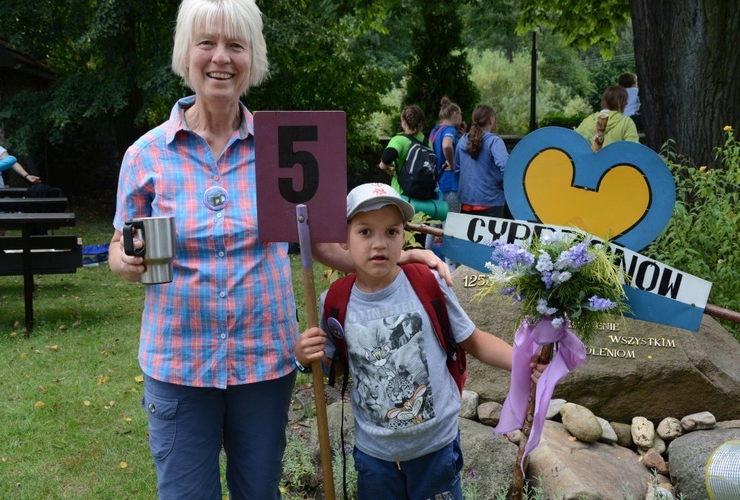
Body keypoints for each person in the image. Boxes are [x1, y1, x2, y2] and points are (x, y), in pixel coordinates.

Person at [108, 1, 451, 498]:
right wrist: (125, 261)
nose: (220, 57)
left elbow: (323, 240)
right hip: (178, 364)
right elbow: (121, 244)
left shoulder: (280, 147)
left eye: (236, 45)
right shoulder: (145, 155)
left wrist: (400, 257)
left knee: (259, 492)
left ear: (253, 59)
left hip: (262, 364)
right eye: (207, 42)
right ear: (186, 53)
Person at [294, 182, 546, 499]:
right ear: (344, 240)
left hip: (436, 451)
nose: (379, 244)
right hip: (375, 458)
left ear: (404, 235)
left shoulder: (427, 283)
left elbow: (474, 340)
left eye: (391, 231)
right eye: (365, 232)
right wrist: (305, 359)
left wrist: (524, 360)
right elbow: (337, 368)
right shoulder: (334, 301)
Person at [455, 104, 509, 219]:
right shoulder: (494, 141)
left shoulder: (462, 141)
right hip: (491, 202)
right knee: (493, 238)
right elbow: (506, 166)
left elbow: (457, 170)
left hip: (466, 202)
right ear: (491, 119)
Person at [427, 97, 462, 264]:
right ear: (455, 114)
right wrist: (453, 164)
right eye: (460, 115)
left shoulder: (434, 131)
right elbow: (447, 145)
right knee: (452, 224)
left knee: (433, 224)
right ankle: (451, 264)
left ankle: (425, 258)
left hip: (436, 183)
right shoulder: (449, 130)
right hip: (450, 183)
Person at [378, 104, 429, 196]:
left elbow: (387, 158)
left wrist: (384, 166)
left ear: (404, 122)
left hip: (402, 196)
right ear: (421, 123)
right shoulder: (427, 142)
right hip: (424, 197)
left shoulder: (399, 140)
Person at [575, 86, 639, 148]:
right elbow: (633, 149)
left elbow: (574, 142)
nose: (627, 103)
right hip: (617, 159)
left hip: (589, 159)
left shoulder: (587, 121)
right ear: (621, 103)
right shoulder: (626, 122)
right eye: (625, 101)